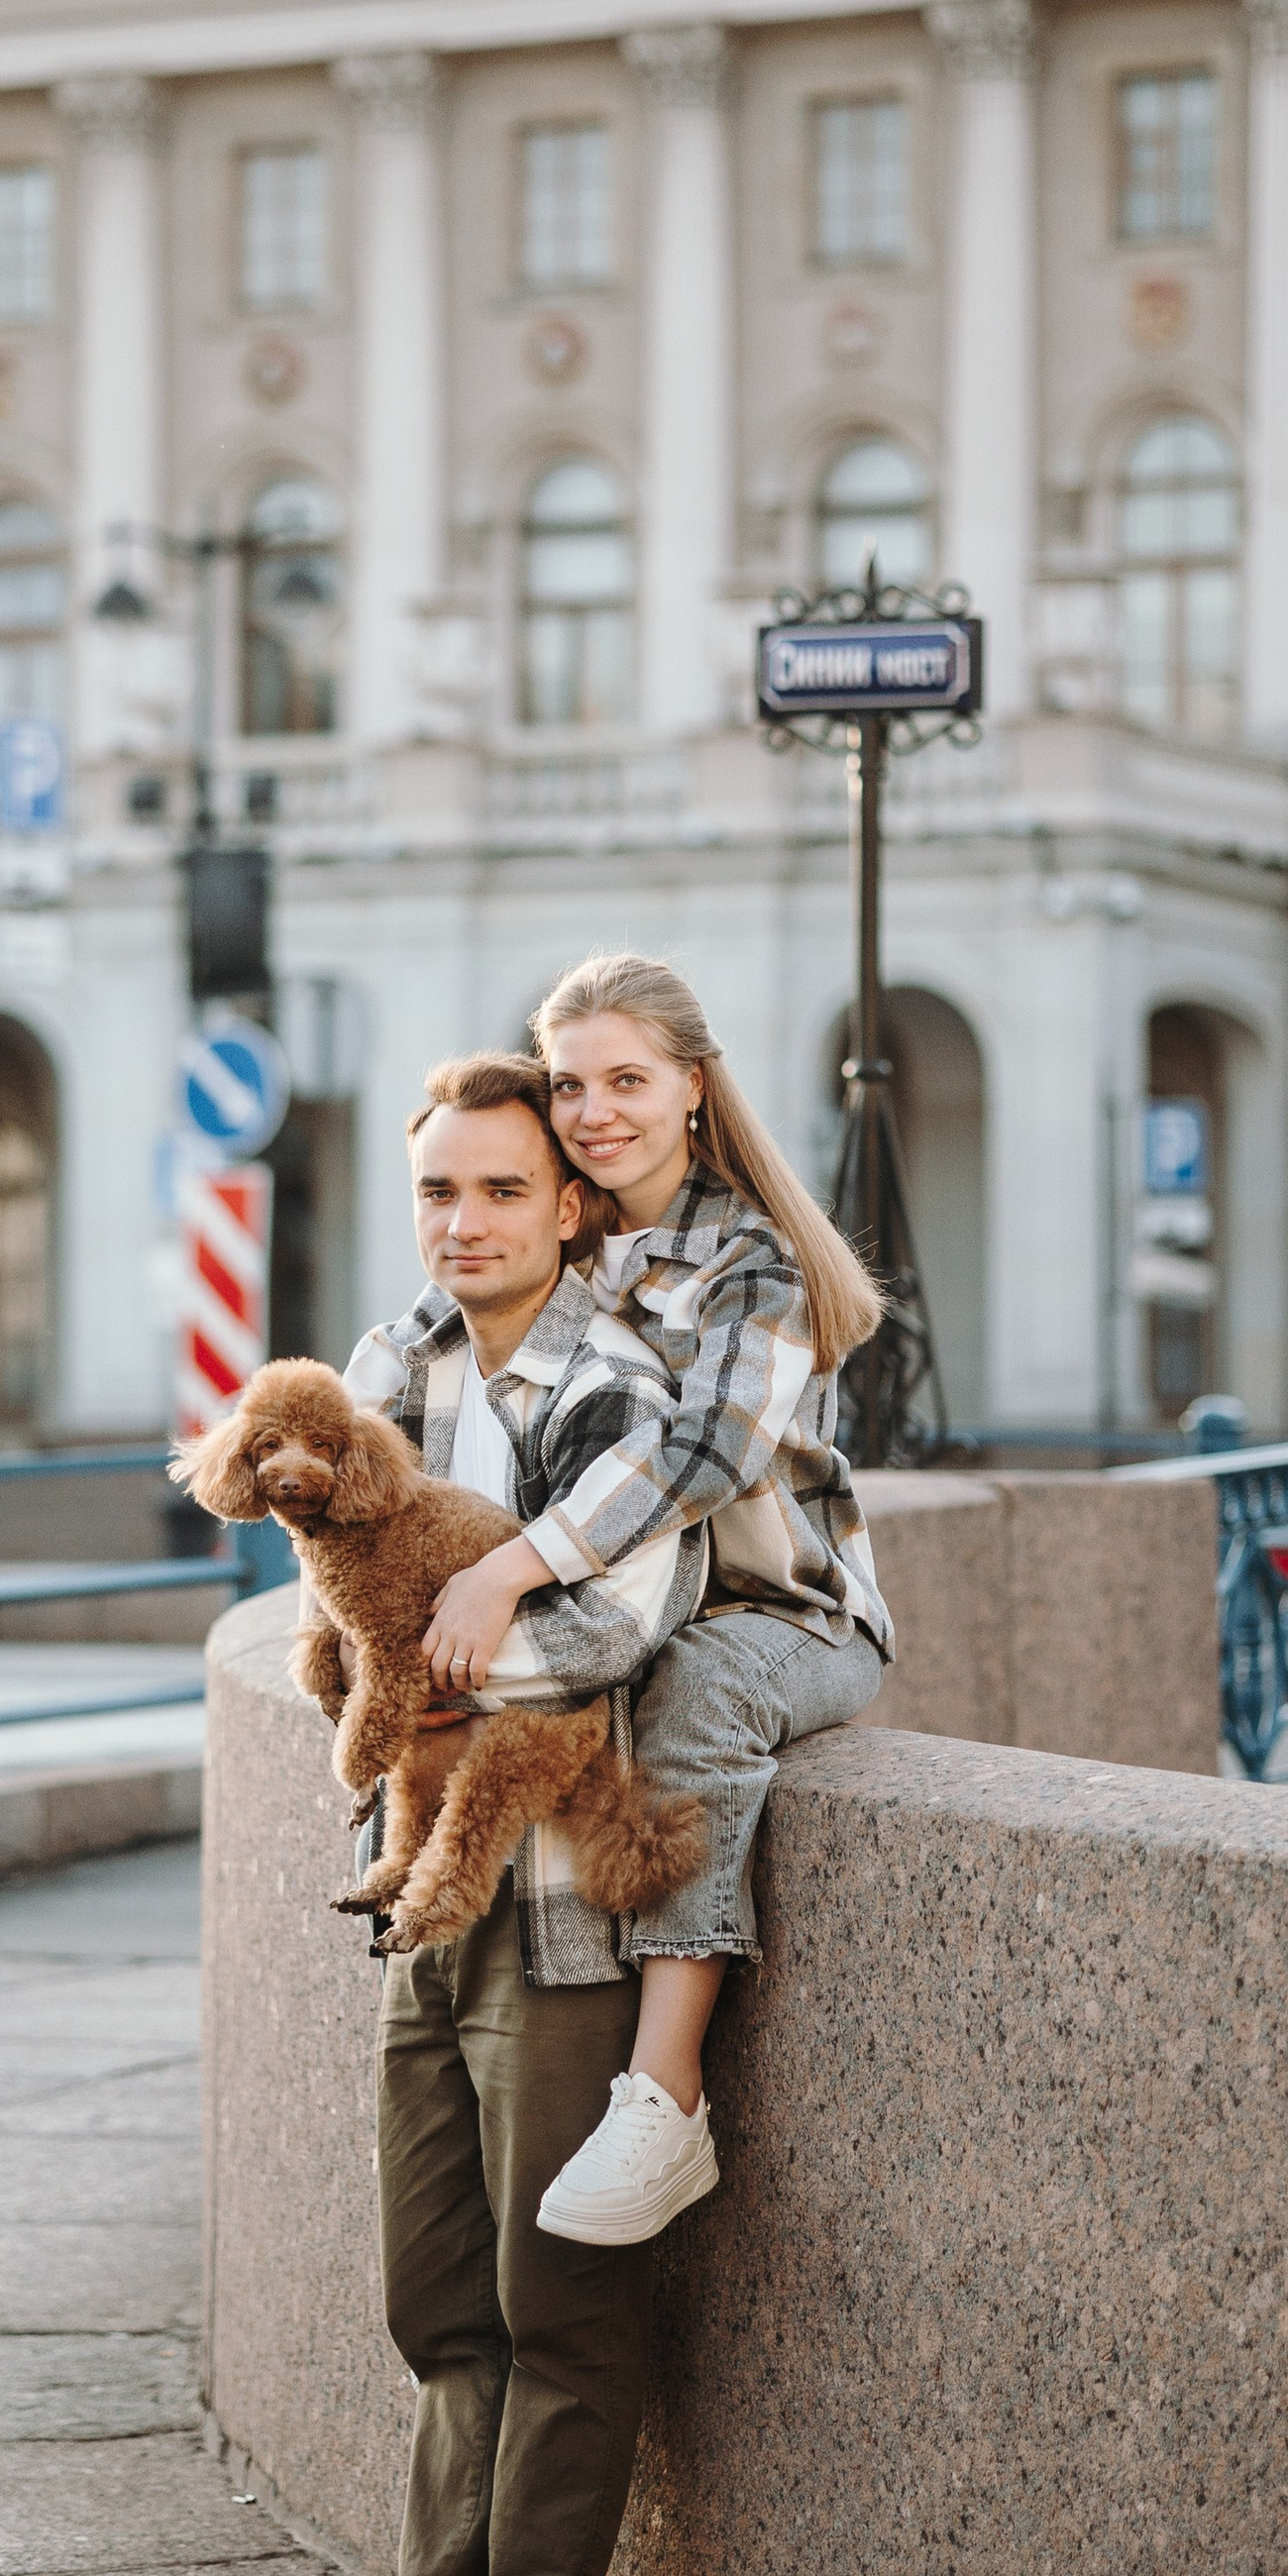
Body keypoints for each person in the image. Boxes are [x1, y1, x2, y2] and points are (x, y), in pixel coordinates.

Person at [219, 1051, 707, 2576]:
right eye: (439, 1188)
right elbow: (329, 1613)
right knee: (435, 2278)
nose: (465, 1219)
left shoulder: (631, 1379)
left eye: (503, 1187)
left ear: (570, 1205)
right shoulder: (383, 1366)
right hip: (418, 1874)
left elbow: (623, 1628)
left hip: (564, 1888)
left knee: (555, 2280)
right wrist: (410, 1691)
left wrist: (428, 1673)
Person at [416, 950, 893, 2248]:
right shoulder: (566, 1221)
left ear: (692, 1084)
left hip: (783, 1613)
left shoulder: (755, 1259)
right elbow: (436, 1328)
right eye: (569, 1083)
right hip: (635, 1598)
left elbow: (702, 1457)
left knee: (699, 1689)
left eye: (627, 1079)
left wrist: (510, 1565)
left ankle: (663, 2093)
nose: (593, 1111)